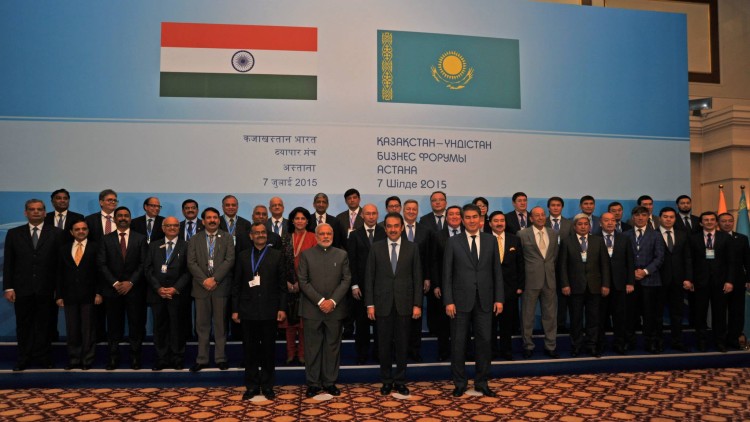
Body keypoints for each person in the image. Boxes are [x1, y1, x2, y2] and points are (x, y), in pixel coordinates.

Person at [443, 204, 503, 397]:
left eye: (474, 217)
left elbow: (497, 272)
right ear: (462, 220)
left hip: (485, 300)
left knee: (485, 342)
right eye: (467, 217)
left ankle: (482, 382)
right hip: (459, 302)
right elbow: (447, 275)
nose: (471, 220)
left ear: (480, 219)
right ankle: (459, 383)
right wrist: (448, 301)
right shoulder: (453, 242)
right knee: (459, 343)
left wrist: (499, 299)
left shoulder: (490, 241)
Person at [365, 212, 422, 396]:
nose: (393, 229)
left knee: (403, 344)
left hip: (405, 304)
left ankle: (400, 380)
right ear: (385, 228)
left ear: (402, 227)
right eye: (389, 226)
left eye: (396, 225)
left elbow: (417, 278)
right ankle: (387, 380)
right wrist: (370, 304)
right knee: (383, 345)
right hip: (382, 304)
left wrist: (417, 304)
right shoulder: (376, 248)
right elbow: (369, 278)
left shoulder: (412, 248)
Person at [3, 199, 62, 371]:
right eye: (32, 209)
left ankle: (44, 358)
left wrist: (59, 289)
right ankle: (23, 358)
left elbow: (60, 264)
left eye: (39, 209)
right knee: (24, 325)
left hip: (47, 289)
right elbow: (9, 263)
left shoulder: (57, 233)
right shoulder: (14, 234)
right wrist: (8, 287)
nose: (36, 212)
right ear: (25, 212)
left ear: (45, 212)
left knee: (45, 325)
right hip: (22, 288)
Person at [232, 222, 287, 400]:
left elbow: (282, 286)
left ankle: (268, 385)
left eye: (263, 232)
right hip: (247, 311)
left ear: (268, 235)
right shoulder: (242, 256)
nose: (261, 235)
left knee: (269, 351)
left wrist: (282, 308)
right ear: (251, 236)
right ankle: (252, 386)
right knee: (250, 350)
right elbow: (236, 286)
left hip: (270, 310)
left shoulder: (277, 255)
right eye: (257, 233)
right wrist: (235, 310)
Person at [298, 223, 351, 398]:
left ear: (333, 235)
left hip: (335, 310)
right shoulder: (306, 255)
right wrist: (321, 301)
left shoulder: (342, 254)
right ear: (316, 236)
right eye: (322, 233)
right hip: (312, 310)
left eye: (329, 233)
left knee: (332, 348)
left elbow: (346, 280)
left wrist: (333, 301)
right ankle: (313, 383)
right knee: (312, 348)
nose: (326, 236)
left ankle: (329, 382)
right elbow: (303, 281)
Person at [97, 206, 148, 370]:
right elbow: (102, 264)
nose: (123, 218)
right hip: (113, 291)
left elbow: (143, 263)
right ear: (114, 219)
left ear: (130, 219)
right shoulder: (106, 239)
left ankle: (135, 358)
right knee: (113, 327)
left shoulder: (140, 238)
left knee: (136, 326)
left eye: (126, 215)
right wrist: (115, 283)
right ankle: (113, 358)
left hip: (135, 290)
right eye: (120, 216)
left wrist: (130, 282)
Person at [187, 207, 235, 371]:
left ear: (219, 220)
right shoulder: (194, 239)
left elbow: (229, 260)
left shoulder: (227, 238)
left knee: (221, 325)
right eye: (209, 218)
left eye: (215, 217)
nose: (212, 220)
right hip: (201, 288)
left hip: (220, 287)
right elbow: (191, 262)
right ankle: (202, 359)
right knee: (202, 325)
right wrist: (204, 280)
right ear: (203, 221)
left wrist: (215, 279)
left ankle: (221, 357)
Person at [559, 214, 611, 357]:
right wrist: (565, 284)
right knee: (576, 319)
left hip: (595, 287)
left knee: (593, 319)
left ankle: (592, 345)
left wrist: (606, 284)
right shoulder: (567, 241)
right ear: (574, 227)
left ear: (589, 226)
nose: (583, 226)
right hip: (574, 287)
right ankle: (576, 346)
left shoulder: (598, 241)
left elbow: (605, 265)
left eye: (585, 224)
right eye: (580, 224)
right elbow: (562, 265)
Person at [144, 216, 191, 371]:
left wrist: (175, 288)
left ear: (179, 227)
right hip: (158, 294)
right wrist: (158, 288)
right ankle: (162, 358)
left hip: (177, 294)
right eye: (169, 225)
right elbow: (148, 269)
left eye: (175, 225)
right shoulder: (153, 246)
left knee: (177, 327)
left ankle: (177, 357)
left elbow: (188, 271)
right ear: (163, 228)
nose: (172, 228)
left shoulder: (187, 246)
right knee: (160, 327)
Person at [56, 220, 101, 370]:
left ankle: (87, 360)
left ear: (88, 230)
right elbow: (59, 274)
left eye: (84, 229)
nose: (81, 231)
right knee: (72, 329)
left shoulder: (96, 247)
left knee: (88, 329)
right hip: (69, 296)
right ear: (71, 232)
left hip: (89, 295)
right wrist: (59, 295)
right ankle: (74, 359)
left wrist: (98, 293)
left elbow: (100, 272)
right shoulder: (64, 249)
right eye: (77, 229)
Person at [518, 206, 560, 358]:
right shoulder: (522, 234)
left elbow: (554, 256)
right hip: (531, 280)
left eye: (543, 215)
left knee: (550, 315)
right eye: (537, 215)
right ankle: (528, 346)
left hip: (549, 280)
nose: (541, 217)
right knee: (527, 315)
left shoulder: (553, 233)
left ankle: (551, 346)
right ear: (531, 218)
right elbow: (520, 259)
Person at [689, 212, 732, 352]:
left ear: (716, 222)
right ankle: (701, 342)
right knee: (699, 313)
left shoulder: (725, 237)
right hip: (699, 282)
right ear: (701, 223)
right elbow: (689, 261)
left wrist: (729, 281)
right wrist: (690, 279)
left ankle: (720, 342)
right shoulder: (693, 238)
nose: (709, 222)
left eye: (712, 220)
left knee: (719, 313)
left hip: (720, 282)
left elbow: (731, 262)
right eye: (706, 220)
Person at [347, 203, 385, 364]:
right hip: (361, 288)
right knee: (362, 323)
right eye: (368, 214)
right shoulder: (355, 235)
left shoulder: (385, 233)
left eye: (374, 213)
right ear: (362, 215)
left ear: (378, 215)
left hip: (381, 287)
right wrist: (354, 284)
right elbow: (351, 262)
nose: (371, 216)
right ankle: (362, 354)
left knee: (381, 324)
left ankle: (379, 353)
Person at [624, 206, 664, 353]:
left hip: (650, 281)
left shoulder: (656, 235)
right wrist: (632, 272)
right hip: (631, 282)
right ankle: (629, 342)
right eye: (637, 215)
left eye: (643, 215)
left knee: (650, 315)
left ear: (648, 217)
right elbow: (622, 257)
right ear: (633, 217)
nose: (640, 218)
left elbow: (659, 258)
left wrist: (645, 271)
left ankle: (651, 342)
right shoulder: (625, 235)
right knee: (630, 314)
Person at [281, 207, 317, 365]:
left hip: (306, 286)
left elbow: (316, 263)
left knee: (303, 323)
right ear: (292, 220)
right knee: (289, 323)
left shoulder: (313, 237)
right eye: (297, 218)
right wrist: (287, 282)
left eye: (303, 218)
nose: (300, 221)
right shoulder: (285, 238)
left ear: (308, 221)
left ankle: (302, 354)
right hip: (288, 284)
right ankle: (290, 353)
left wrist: (301, 283)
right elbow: (279, 263)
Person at [488, 211, 524, 360]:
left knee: (507, 324)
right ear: (490, 223)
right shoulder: (484, 239)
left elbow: (520, 263)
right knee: (490, 324)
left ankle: (506, 351)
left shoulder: (514, 239)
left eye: (502, 220)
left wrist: (520, 285)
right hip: (489, 288)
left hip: (510, 288)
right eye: (495, 220)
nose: (499, 223)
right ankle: (491, 352)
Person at [401, 199, 433, 362]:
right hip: (399, 279)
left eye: (414, 209)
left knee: (416, 316)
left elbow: (427, 257)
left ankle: (414, 350)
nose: (411, 211)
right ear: (403, 210)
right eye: (408, 209)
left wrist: (427, 277)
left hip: (418, 279)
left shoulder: (425, 231)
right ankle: (401, 351)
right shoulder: (396, 229)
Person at [598, 212, 635, 354]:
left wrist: (630, 282)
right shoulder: (594, 238)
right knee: (601, 317)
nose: (610, 223)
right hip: (601, 285)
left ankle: (620, 343)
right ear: (601, 222)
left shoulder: (624, 238)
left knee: (620, 317)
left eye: (612, 220)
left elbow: (630, 262)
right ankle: (600, 344)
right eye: (606, 220)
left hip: (620, 284)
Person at [658, 207, 693, 352]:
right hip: (658, 280)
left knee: (677, 313)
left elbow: (688, 258)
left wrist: (688, 278)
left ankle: (677, 341)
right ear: (660, 218)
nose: (668, 219)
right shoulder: (652, 234)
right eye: (665, 217)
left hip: (678, 280)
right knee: (657, 313)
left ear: (675, 219)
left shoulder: (683, 235)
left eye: (671, 217)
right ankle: (658, 342)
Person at [718, 212, 750, 349]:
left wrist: (748, 278)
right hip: (718, 280)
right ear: (718, 223)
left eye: (730, 221)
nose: (727, 223)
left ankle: (734, 338)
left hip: (738, 280)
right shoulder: (713, 238)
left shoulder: (742, 238)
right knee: (719, 311)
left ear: (733, 222)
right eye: (723, 221)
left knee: (737, 311)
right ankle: (720, 339)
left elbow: (747, 261)